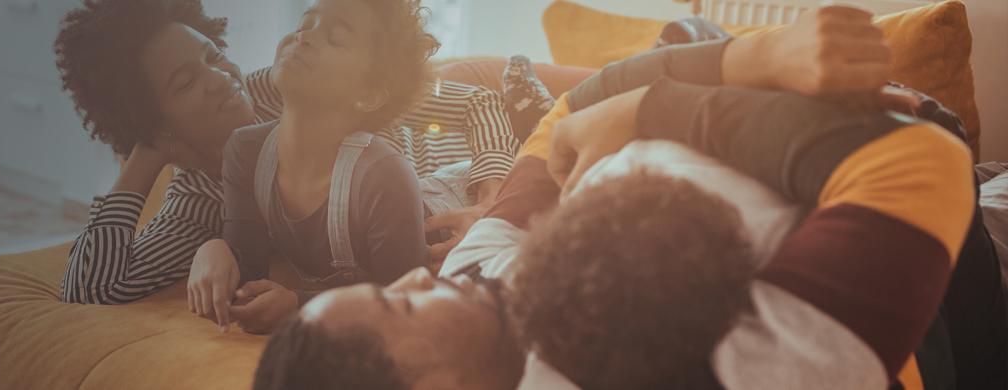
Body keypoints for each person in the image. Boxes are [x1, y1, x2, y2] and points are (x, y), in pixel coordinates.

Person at [252, 6, 981, 389]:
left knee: (684, 42)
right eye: (401, 305)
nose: (418, 275)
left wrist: (753, 59)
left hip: (797, 130)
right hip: (927, 263)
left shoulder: (479, 278)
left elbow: (562, 121)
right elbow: (916, 164)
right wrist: (651, 111)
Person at [53, 0, 546, 306]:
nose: (222, 78)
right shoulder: (198, 206)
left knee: (527, 114)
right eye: (187, 82)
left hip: (445, 158)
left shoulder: (277, 86)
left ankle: (530, 101)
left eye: (212, 54)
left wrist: (489, 202)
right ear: (158, 126)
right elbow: (90, 285)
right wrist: (146, 156)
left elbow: (474, 103)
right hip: (404, 198)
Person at [195, 0, 446, 335]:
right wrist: (212, 249)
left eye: (336, 39)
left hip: (455, 211)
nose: (304, 38)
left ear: (368, 95)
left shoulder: (384, 175)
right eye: (304, 25)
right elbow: (249, 277)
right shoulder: (244, 151)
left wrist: (300, 305)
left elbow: (407, 301)